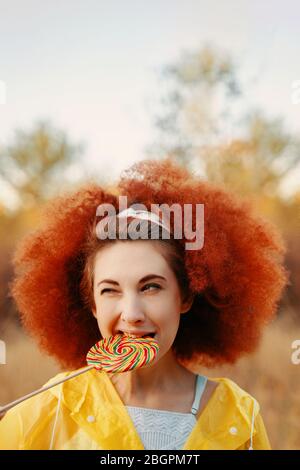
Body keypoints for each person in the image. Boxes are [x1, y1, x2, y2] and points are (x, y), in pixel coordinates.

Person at [0, 158, 288, 450]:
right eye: (110, 290)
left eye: (151, 287)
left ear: (185, 296)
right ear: (93, 305)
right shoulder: (47, 410)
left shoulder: (238, 416)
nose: (132, 314)